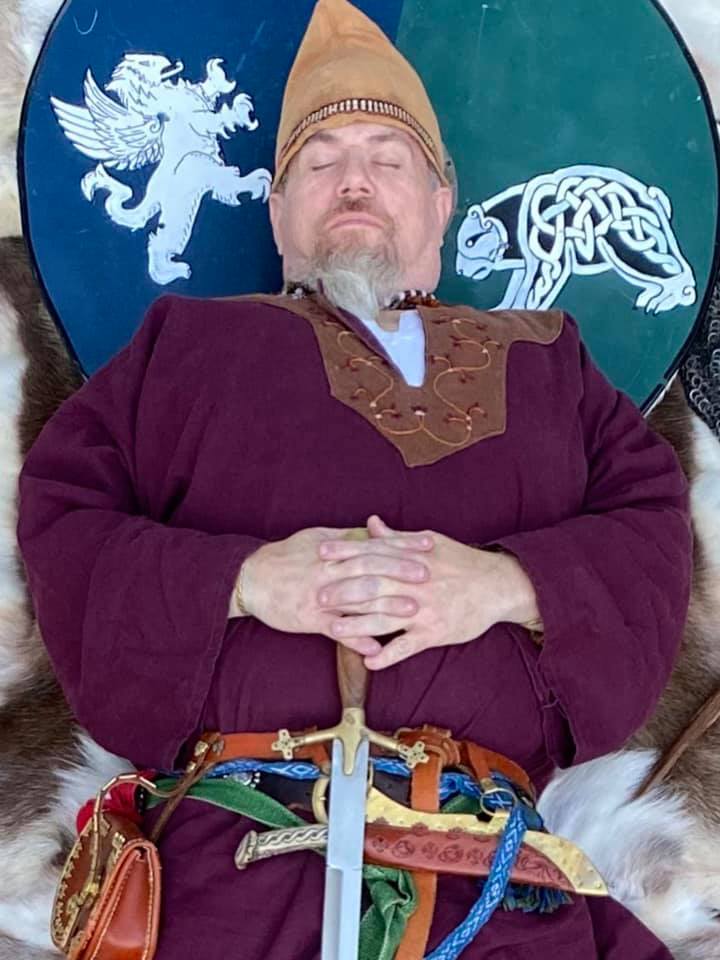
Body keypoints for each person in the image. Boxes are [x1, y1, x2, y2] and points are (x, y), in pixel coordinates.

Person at [17, 0, 692, 957]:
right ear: (276, 210)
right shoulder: (185, 345)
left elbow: (652, 529)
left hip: (500, 880)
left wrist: (507, 584)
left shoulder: (551, 359)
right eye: (321, 162)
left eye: (388, 158)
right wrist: (243, 580)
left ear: (443, 203)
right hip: (232, 857)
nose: (355, 181)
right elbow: (63, 514)